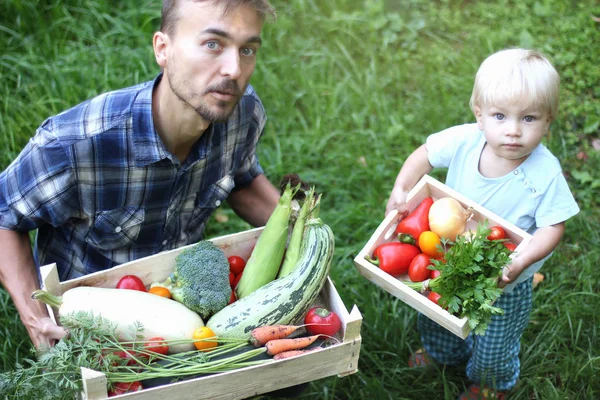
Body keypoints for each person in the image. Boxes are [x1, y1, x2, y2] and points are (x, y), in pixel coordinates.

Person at [0, 0, 281, 351]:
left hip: (183, 310)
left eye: (248, 49)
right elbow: (4, 216)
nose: (233, 69)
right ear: (163, 49)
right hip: (92, 325)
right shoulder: (75, 145)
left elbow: (241, 177)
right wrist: (37, 319)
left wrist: (302, 227)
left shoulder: (243, 115)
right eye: (213, 44)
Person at [385, 48, 579, 399]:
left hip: (504, 276)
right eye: (500, 116)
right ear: (479, 114)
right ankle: (443, 352)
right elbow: (424, 154)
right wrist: (401, 188)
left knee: (494, 338)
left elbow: (554, 226)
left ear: (549, 120)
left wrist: (520, 261)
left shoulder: (545, 173)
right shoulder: (464, 141)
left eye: (530, 118)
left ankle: (490, 383)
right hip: (447, 258)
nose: (514, 131)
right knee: (436, 312)